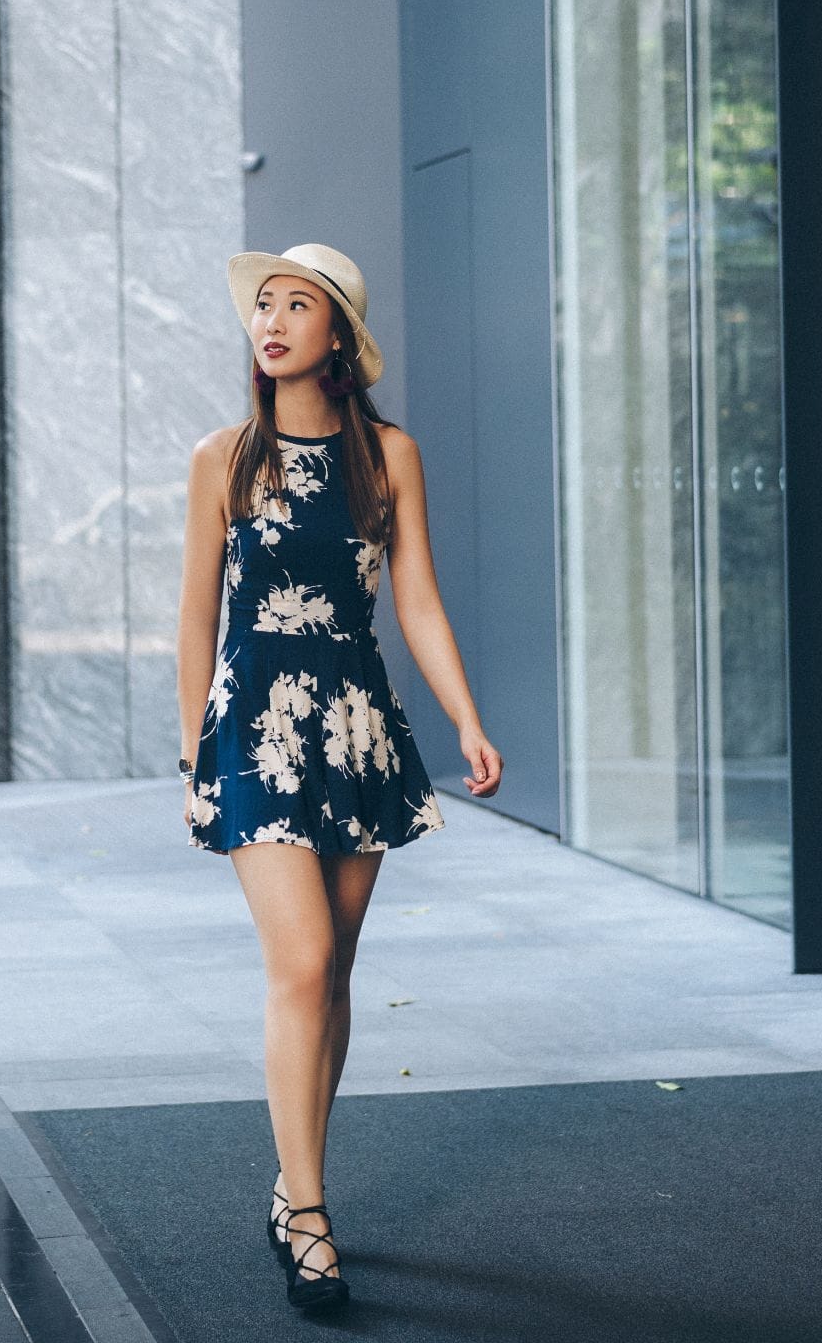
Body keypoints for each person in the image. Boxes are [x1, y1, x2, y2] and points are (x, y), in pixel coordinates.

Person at [174, 242, 505, 1313]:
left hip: (356, 729)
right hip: (255, 732)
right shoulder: (223, 457)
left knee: (336, 973)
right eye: (259, 305)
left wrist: (464, 719)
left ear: (338, 340)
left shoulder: (387, 455)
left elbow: (416, 601)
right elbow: (194, 618)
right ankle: (310, 1216)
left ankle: (290, 1183)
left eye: (294, 305)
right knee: (303, 960)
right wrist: (197, 754)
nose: (268, 322)